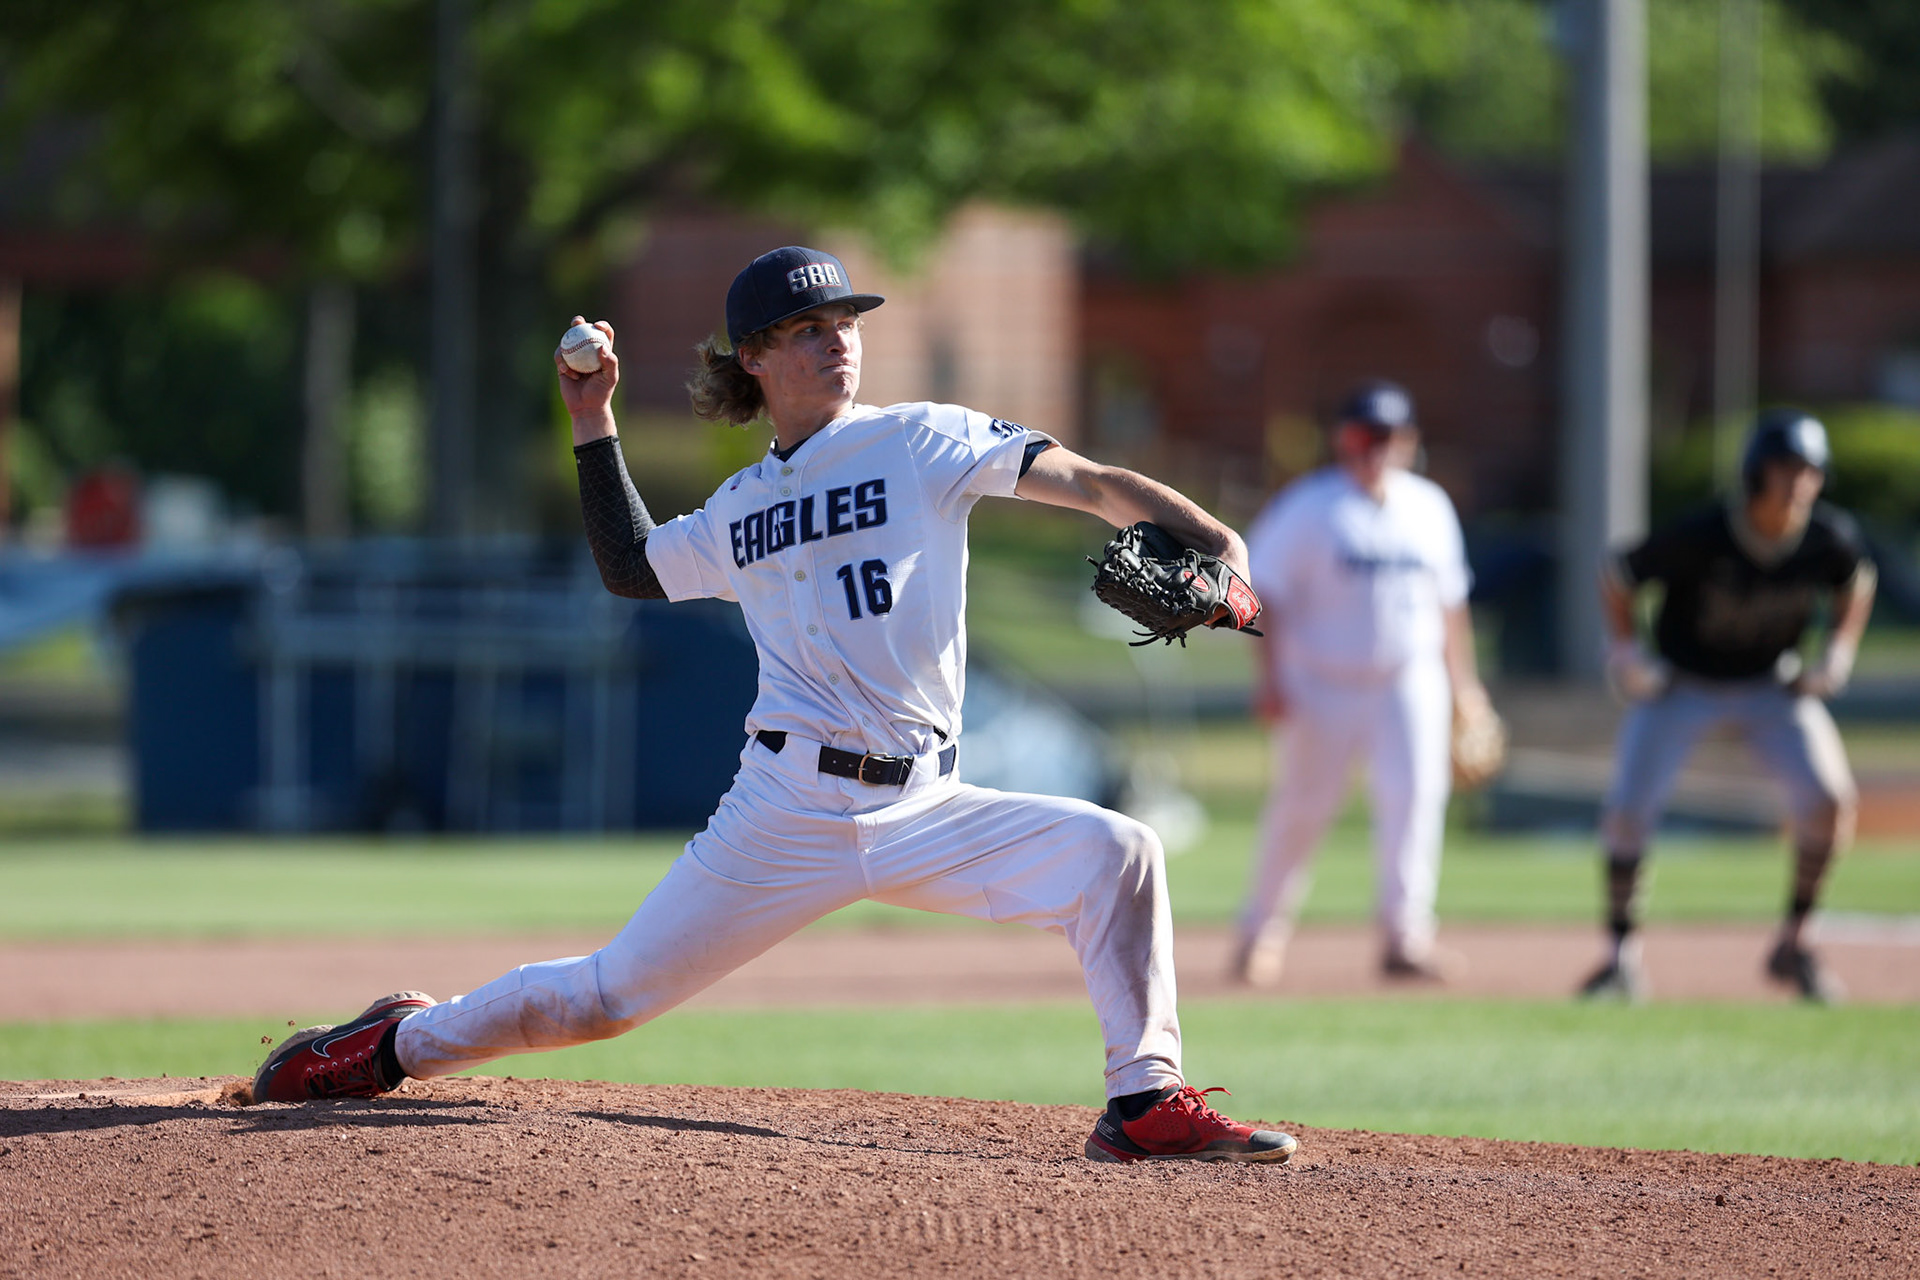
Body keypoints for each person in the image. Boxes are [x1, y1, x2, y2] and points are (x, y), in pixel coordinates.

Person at [254, 246, 1298, 1165]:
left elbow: (1092, 479)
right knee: (603, 1000)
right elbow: (630, 565)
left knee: (1120, 853)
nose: (835, 341)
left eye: (843, 322)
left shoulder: (924, 440)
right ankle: (389, 1043)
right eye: (805, 329)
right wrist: (593, 418)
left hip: (927, 805)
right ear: (752, 355)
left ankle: (1144, 1100)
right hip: (785, 806)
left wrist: (1218, 543)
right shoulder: (740, 506)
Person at [1579, 409, 1874, 1004]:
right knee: (1628, 810)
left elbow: (1856, 583)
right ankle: (1619, 960)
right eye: (1783, 469)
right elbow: (1617, 575)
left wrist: (1837, 651)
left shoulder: (1827, 537)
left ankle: (1795, 942)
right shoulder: (1706, 532)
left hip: (1772, 683)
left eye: (1809, 471)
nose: (1797, 483)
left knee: (1830, 800)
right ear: (1754, 474)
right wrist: (1627, 653)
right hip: (1684, 684)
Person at [1231, 380, 1491, 986]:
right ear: (1343, 439)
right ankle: (1259, 935)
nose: (1375, 447)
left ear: (1409, 441)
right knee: (1302, 807)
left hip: (1408, 679)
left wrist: (1467, 689)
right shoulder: (1308, 506)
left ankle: (1406, 938)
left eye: (1388, 436)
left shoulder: (1428, 506)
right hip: (1319, 680)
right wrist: (1269, 680)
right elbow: (1265, 597)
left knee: (1417, 799)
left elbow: (1450, 605)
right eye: (1364, 434)